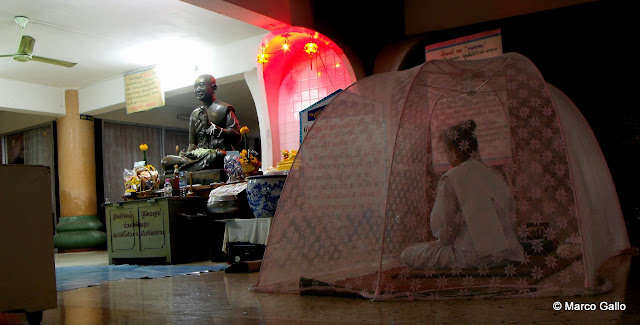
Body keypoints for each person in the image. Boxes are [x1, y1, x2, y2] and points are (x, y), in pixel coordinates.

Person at [400, 120, 524, 269]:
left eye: (446, 152)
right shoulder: (495, 175)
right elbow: (511, 219)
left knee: (408, 254)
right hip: (507, 255)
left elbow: (443, 231)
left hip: (472, 257)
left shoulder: (451, 178)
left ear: (454, 150)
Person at [161, 74, 242, 173]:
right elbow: (192, 144)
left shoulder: (224, 108)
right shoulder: (195, 114)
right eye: (195, 87)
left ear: (214, 88)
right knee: (166, 161)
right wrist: (186, 155)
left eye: (201, 85)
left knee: (218, 156)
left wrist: (213, 128)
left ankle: (188, 168)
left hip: (216, 154)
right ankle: (189, 167)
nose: (197, 89)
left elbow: (237, 135)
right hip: (200, 155)